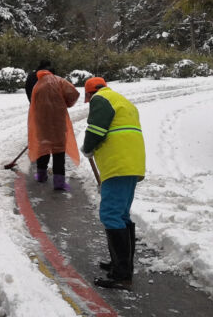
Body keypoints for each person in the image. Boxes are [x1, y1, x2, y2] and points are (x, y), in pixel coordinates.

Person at [80, 77, 146, 291]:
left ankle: (122, 274)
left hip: (118, 164)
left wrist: (87, 147)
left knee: (110, 214)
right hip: (132, 163)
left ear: (89, 93)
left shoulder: (100, 99)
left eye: (87, 98)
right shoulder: (121, 100)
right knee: (121, 215)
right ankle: (120, 264)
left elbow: (96, 130)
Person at [27, 68, 80, 191]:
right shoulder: (60, 81)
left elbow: (33, 104)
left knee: (43, 148)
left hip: (41, 122)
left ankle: (41, 176)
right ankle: (59, 182)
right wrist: (66, 103)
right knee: (59, 151)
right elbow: (74, 94)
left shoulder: (37, 86)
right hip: (58, 122)